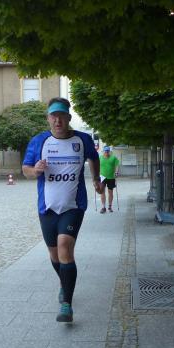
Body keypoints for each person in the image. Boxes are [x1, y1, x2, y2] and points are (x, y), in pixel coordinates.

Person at [22, 97, 102, 323]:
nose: (58, 121)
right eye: (53, 116)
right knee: (54, 254)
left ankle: (67, 304)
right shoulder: (39, 141)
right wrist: (35, 170)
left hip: (73, 206)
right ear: (48, 119)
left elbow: (93, 157)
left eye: (62, 116)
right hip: (46, 207)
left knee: (65, 246)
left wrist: (96, 179)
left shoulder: (83, 139)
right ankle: (64, 282)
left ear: (68, 118)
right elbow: (25, 169)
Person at [98, 145, 120, 213]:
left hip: (111, 177)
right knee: (102, 192)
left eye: (108, 151)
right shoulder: (100, 157)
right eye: (105, 151)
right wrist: (95, 175)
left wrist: (116, 172)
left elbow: (117, 165)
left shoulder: (113, 158)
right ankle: (103, 207)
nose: (107, 152)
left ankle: (110, 206)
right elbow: (96, 166)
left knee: (110, 192)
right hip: (102, 177)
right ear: (103, 151)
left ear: (109, 151)